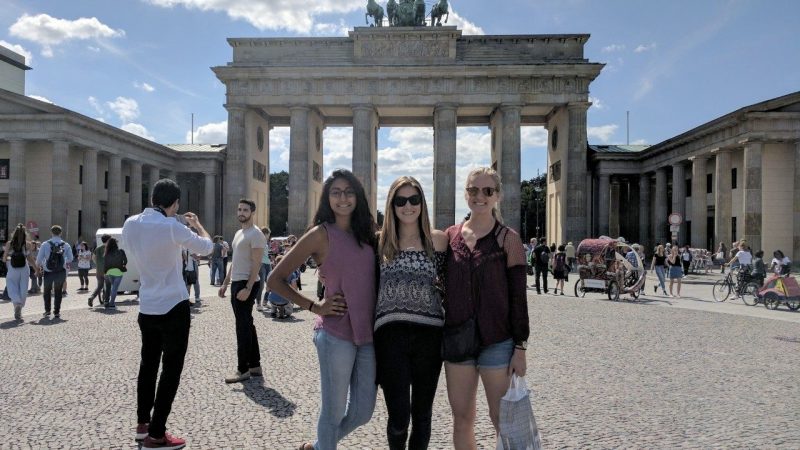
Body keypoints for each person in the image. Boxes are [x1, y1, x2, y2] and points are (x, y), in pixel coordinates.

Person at [267, 169, 377, 450]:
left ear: (358, 196)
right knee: (333, 411)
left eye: (349, 191)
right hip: (336, 332)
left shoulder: (368, 232)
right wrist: (314, 306)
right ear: (327, 198)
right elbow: (274, 279)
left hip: (367, 334)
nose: (343, 198)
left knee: (363, 411)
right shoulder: (319, 234)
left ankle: (318, 447)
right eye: (336, 192)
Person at [122, 178, 213, 449]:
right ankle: (158, 432)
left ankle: (143, 423)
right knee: (171, 370)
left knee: (147, 366)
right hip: (174, 303)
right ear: (175, 203)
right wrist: (196, 225)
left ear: (152, 199)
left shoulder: (130, 224)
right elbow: (208, 248)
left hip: (146, 303)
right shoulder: (172, 226)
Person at [443, 167, 528, 449]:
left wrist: (520, 347)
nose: (480, 196)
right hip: (457, 342)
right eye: (473, 190)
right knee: (462, 418)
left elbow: (518, 297)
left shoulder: (509, 239)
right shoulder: (450, 236)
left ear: (497, 196)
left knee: (501, 419)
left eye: (487, 191)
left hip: (498, 342)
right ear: (466, 194)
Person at [373, 176, 448, 450]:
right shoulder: (379, 243)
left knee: (422, 415)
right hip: (389, 337)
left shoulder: (438, 241)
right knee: (399, 416)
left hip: (429, 336)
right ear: (391, 205)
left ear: (422, 203)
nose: (408, 206)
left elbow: (454, 281)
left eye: (414, 199)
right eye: (400, 200)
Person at [218, 199, 267, 384]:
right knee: (247, 324)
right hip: (237, 282)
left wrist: (247, 287)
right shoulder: (239, 233)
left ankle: (242, 369)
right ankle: (255, 365)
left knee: (242, 326)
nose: (241, 212)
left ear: (252, 212)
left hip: (247, 283)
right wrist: (225, 283)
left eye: (245, 210)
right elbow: (235, 262)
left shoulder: (256, 234)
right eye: (239, 209)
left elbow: (257, 263)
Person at [35, 225, 74, 320]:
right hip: (60, 271)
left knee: (47, 291)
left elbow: (39, 260)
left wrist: (38, 267)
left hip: (48, 271)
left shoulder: (45, 244)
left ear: (51, 233)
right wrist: (63, 261)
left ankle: (47, 310)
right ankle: (57, 312)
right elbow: (71, 258)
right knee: (58, 292)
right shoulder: (66, 244)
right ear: (61, 233)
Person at [3, 224, 38, 321]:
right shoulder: (28, 244)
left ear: (14, 233)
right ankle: (19, 308)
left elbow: (4, 258)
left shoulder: (9, 244)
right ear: (25, 234)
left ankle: (17, 303)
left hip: (13, 268)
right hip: (24, 268)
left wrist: (9, 257)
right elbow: (30, 259)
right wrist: (36, 269)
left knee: (12, 286)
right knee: (23, 288)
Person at [103, 237, 128, 309]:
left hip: (109, 272)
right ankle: (112, 304)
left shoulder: (107, 253)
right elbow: (125, 261)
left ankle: (109, 302)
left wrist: (105, 272)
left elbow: (105, 263)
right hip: (118, 272)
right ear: (116, 244)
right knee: (114, 288)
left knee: (113, 287)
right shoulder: (121, 251)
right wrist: (123, 265)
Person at [89, 234, 111, 307]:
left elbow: (93, 258)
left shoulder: (97, 248)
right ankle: (106, 301)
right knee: (108, 286)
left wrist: (98, 264)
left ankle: (92, 297)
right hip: (107, 270)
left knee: (100, 286)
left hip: (99, 270)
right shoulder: (110, 248)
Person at [255, 227, 272, 311]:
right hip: (261, 264)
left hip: (268, 264)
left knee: (270, 283)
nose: (269, 236)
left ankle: (265, 301)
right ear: (265, 233)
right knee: (261, 285)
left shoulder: (265, 242)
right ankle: (258, 303)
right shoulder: (258, 241)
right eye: (269, 234)